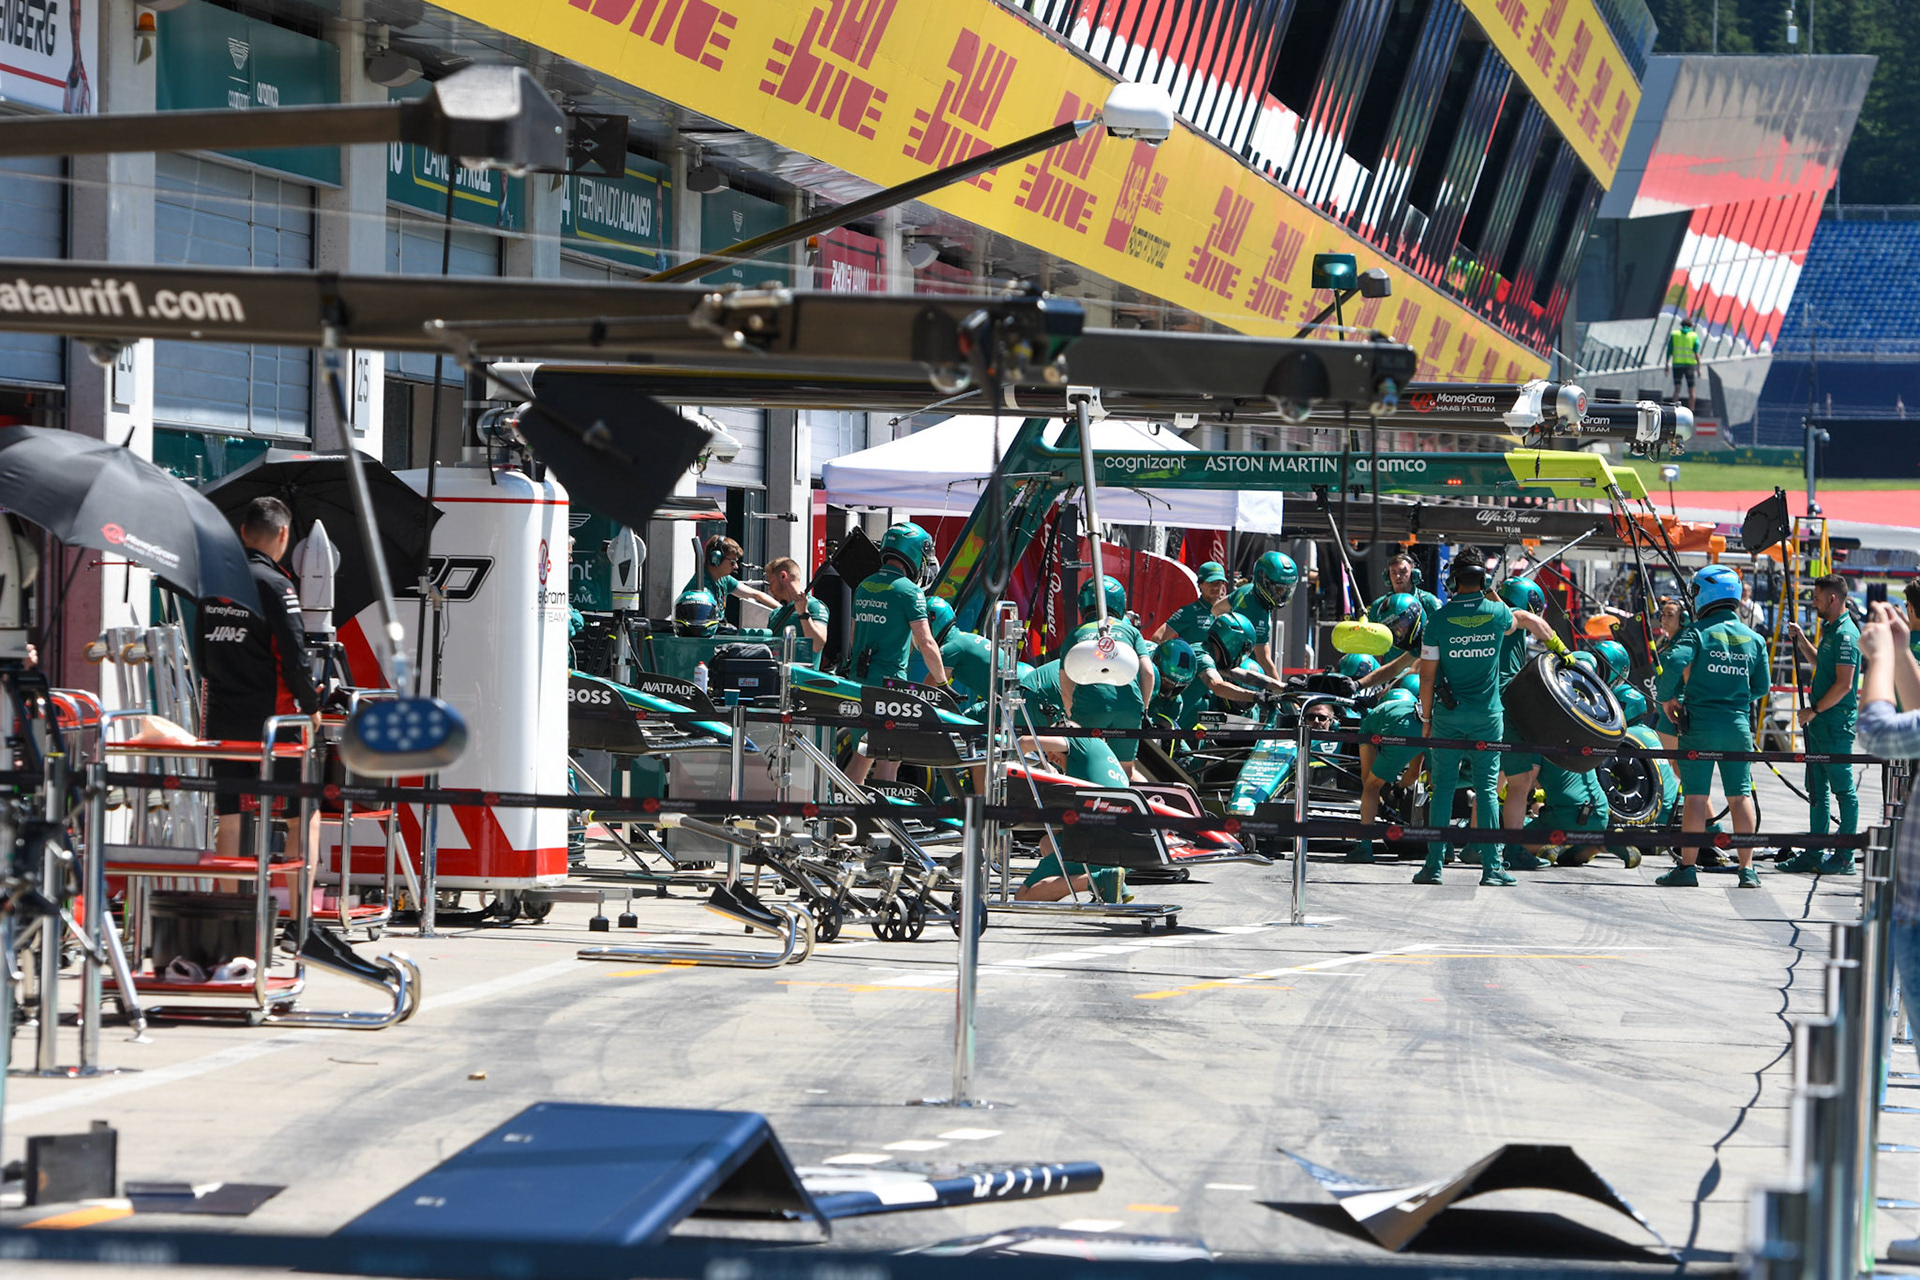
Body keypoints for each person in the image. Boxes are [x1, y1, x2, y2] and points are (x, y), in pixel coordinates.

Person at [1415, 552, 1567, 886]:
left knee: (1442, 790)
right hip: (1488, 716)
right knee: (1486, 790)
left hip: (1447, 717)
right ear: (1483, 581)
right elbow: (1519, 621)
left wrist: (1426, 717)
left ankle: (1434, 866)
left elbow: (1426, 679)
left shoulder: (1438, 620)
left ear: (1453, 581)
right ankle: (1491, 868)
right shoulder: (1498, 613)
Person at [197, 497, 323, 862]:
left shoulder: (212, 583)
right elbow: (295, 660)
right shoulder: (276, 585)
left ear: (242, 532)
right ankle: (301, 920)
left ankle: (231, 917)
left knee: (231, 815)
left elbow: (203, 659)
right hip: (275, 721)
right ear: (284, 534)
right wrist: (311, 706)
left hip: (224, 719)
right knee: (303, 816)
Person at [1655, 565, 1771, 887]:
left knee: (1695, 797)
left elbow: (1674, 663)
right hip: (1737, 725)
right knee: (1740, 796)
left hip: (1700, 726)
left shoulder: (1697, 632)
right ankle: (1747, 870)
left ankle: (1687, 869)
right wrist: (1734, 692)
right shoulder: (1754, 638)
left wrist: (1668, 700)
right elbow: (1762, 686)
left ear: (1704, 595)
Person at [845, 522, 948, 786]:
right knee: (890, 760)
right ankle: (884, 822)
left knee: (861, 755)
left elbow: (855, 636)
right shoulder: (908, 591)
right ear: (914, 552)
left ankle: (841, 818)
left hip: (859, 679)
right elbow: (926, 642)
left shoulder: (865, 585)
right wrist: (943, 683)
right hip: (889, 686)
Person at [1780, 575, 1862, 874]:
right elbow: (1821, 666)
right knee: (1816, 788)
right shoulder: (1830, 630)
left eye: (1816, 597)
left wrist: (1813, 710)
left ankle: (1845, 857)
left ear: (1832, 599)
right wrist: (1801, 640)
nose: (1812, 602)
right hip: (1820, 724)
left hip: (1835, 724)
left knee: (1842, 788)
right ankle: (1814, 853)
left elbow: (1844, 685)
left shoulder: (1846, 635)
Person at [1014, 731, 1131, 903]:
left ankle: (1100, 881)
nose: (1050, 756)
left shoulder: (1082, 740)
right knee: (1048, 843)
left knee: (1023, 896)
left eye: (1049, 749)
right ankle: (1117, 885)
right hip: (1126, 848)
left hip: (1096, 847)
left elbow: (1025, 742)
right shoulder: (1100, 758)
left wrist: (1016, 760)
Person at [1059, 575, 1155, 778]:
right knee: (1126, 769)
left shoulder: (1075, 634)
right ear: (1120, 601)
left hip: (1090, 704)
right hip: (1129, 706)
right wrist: (1144, 710)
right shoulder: (1131, 631)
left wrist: (1071, 714)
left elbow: (1066, 680)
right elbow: (1147, 671)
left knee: (1081, 763)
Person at [1495, 575, 1548, 867]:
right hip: (1508, 703)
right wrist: (1561, 651)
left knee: (1494, 781)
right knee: (1520, 781)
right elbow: (1533, 622)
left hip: (1489, 704)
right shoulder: (1513, 618)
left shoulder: (1492, 616)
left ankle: (1477, 846)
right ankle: (1512, 851)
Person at [1348, 688, 1423, 863]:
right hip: (1430, 725)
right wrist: (1398, 789)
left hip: (1397, 728)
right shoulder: (1415, 710)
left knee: (1371, 786)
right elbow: (1414, 774)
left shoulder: (1374, 716)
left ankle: (1365, 847)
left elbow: (1368, 778)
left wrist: (1381, 798)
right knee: (1440, 787)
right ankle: (1444, 848)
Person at [1225, 551, 1298, 680]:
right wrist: (1280, 690)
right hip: (1245, 674)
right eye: (1278, 589)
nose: (1282, 596)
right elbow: (1263, 659)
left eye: (1287, 590)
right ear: (1263, 581)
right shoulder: (1259, 613)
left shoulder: (1246, 589)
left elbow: (1216, 609)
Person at [685, 535, 779, 614]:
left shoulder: (724, 580)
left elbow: (756, 595)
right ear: (716, 558)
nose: (736, 567)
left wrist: (784, 611)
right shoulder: (698, 588)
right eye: (732, 562)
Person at [1154, 561, 1230, 644]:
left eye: (1218, 583)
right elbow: (1158, 637)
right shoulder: (1188, 612)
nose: (1215, 587)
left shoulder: (1230, 612)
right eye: (1211, 583)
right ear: (1200, 584)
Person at [763, 556, 828, 652]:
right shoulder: (775, 614)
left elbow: (817, 645)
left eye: (771, 582)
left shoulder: (814, 606)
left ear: (783, 576)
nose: (770, 589)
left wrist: (803, 613)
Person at [1669, 316, 1702, 412]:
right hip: (1689, 366)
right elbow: (1697, 353)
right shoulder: (1693, 336)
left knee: (1677, 390)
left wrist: (1667, 364)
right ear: (1691, 326)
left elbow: (1669, 350)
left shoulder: (1675, 334)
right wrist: (1699, 368)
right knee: (1691, 391)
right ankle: (1691, 411)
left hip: (1677, 365)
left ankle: (1673, 411)